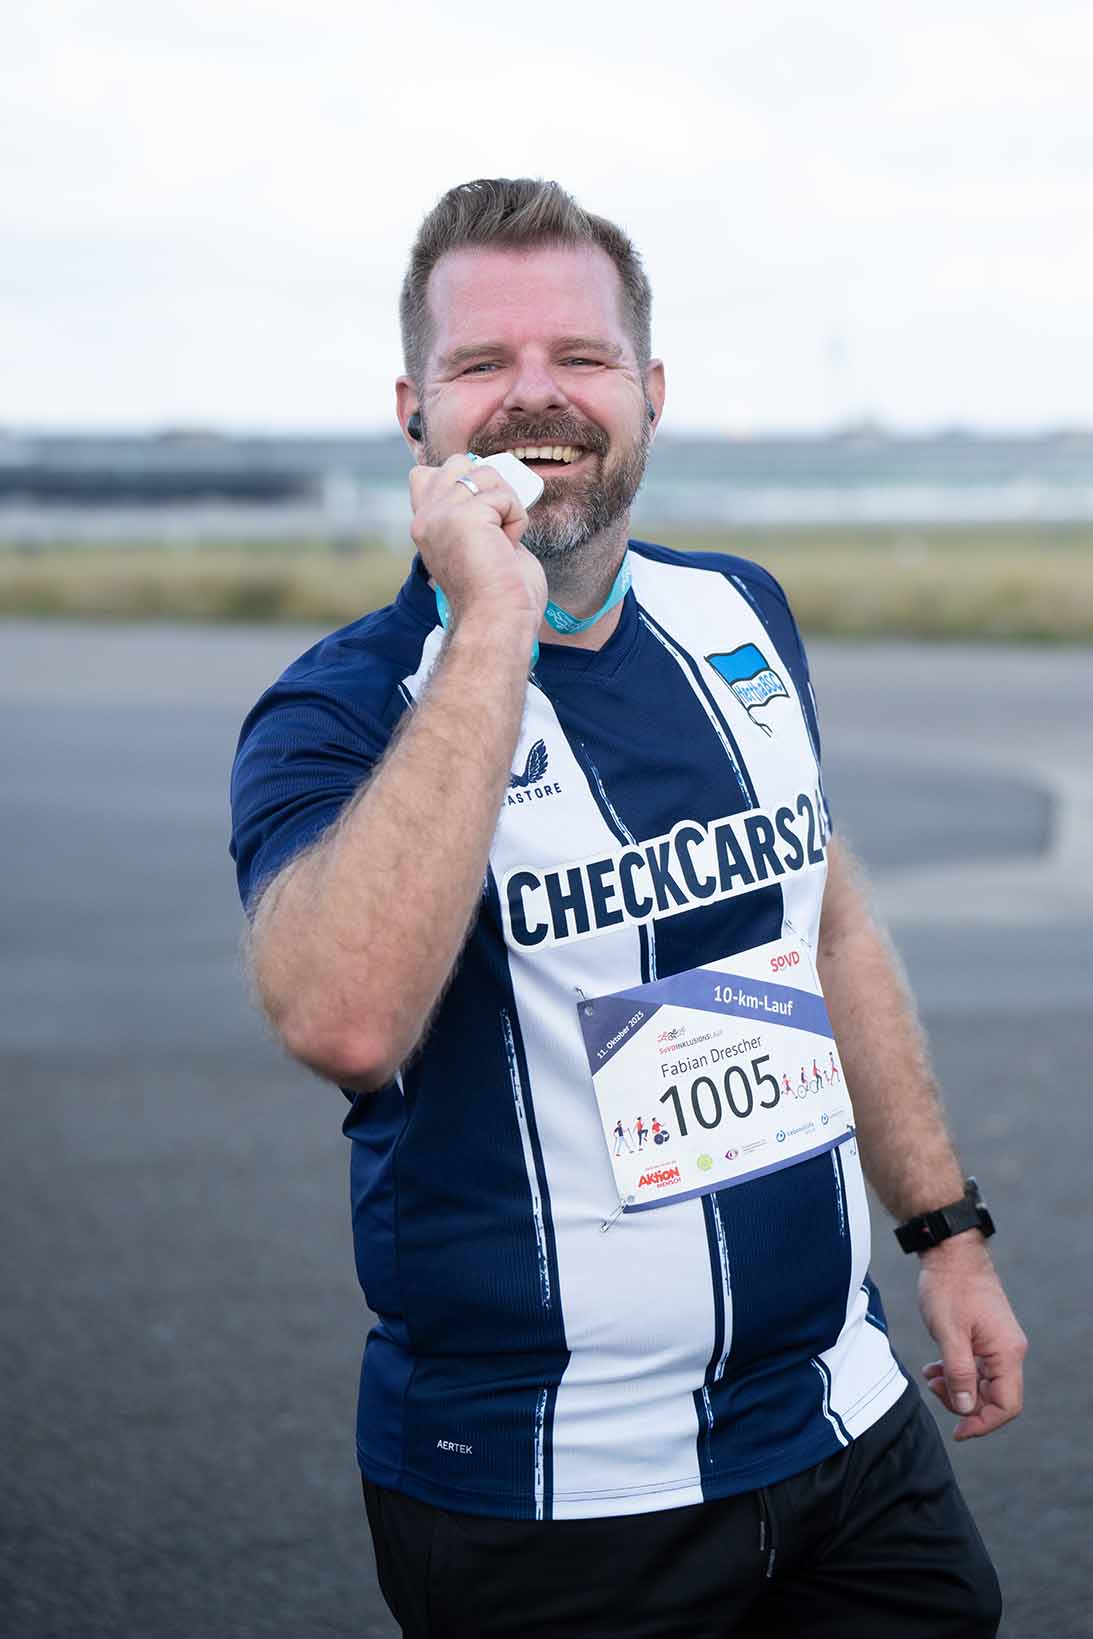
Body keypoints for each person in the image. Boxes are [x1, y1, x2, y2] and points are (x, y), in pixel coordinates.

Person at [229, 178, 1026, 1638]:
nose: (536, 397)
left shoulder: (737, 612)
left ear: (647, 391)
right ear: (414, 408)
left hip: (841, 1426)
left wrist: (944, 1233)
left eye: (578, 358)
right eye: (483, 365)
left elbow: (823, 924)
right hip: (551, 1500)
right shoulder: (338, 710)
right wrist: (494, 622)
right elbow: (342, 1022)